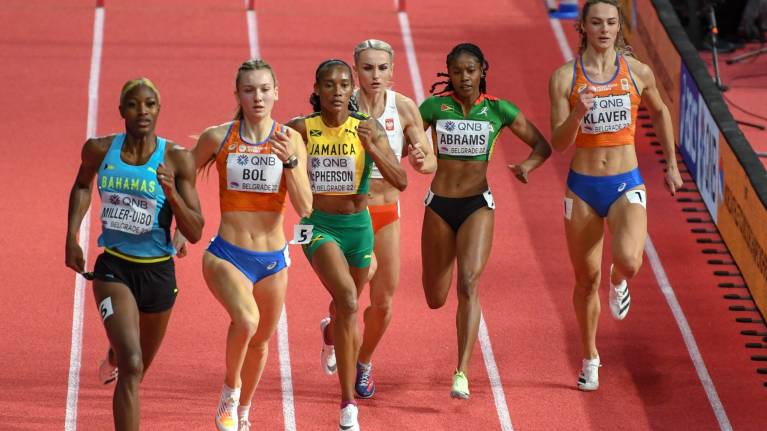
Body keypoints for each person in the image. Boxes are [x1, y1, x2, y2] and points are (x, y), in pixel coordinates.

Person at [548, 0, 683, 391]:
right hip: (583, 187)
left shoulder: (637, 72)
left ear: (619, 27)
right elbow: (558, 143)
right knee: (584, 280)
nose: (604, 29)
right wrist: (577, 114)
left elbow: (660, 112)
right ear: (583, 28)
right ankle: (590, 357)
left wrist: (672, 165)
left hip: (626, 182)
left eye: (611, 23)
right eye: (596, 23)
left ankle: (618, 278)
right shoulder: (563, 78)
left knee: (630, 259)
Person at [65, 78, 204, 430]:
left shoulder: (177, 158)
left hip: (158, 274)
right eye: (133, 104)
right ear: (121, 111)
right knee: (132, 364)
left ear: (159, 109)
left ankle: (113, 352)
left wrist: (171, 193)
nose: (142, 111)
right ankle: (120, 355)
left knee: (136, 364)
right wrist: (72, 236)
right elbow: (82, 184)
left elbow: (196, 230)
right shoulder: (99, 149)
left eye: (150, 104)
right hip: (114, 268)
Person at [419, 43, 552, 399]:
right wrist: (412, 148)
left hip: (478, 205)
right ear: (448, 72)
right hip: (438, 207)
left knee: (469, 283)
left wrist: (527, 166)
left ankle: (462, 371)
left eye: (471, 70)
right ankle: (459, 361)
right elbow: (405, 142)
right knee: (435, 298)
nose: (465, 77)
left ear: (482, 71)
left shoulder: (498, 110)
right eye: (458, 71)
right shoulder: (434, 107)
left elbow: (542, 145)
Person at [186, 59, 312, 431]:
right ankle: (230, 389)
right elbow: (182, 177)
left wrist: (289, 162)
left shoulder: (292, 141)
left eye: (263, 89)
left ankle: (243, 411)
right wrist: (183, 222)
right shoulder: (219, 137)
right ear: (237, 94)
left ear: (276, 93)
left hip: (272, 259)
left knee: (259, 342)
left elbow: (306, 207)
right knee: (247, 319)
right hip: (226, 253)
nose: (257, 97)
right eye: (248, 90)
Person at [287, 59, 407, 431]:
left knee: (345, 309)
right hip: (319, 226)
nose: (336, 92)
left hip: (359, 226)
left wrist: (373, 149)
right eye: (329, 85)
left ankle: (330, 331)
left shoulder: (367, 127)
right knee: (351, 301)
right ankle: (347, 403)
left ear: (350, 90)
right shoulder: (301, 129)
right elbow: (271, 158)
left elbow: (400, 180)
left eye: (343, 85)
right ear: (318, 89)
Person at [348, 39, 436, 399]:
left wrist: (419, 160)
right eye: (368, 68)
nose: (375, 75)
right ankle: (336, 326)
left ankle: (364, 362)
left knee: (383, 302)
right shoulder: (342, 105)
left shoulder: (403, 108)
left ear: (392, 71)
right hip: (351, 215)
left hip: (387, 213)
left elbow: (430, 161)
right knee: (354, 289)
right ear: (356, 70)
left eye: (382, 68)